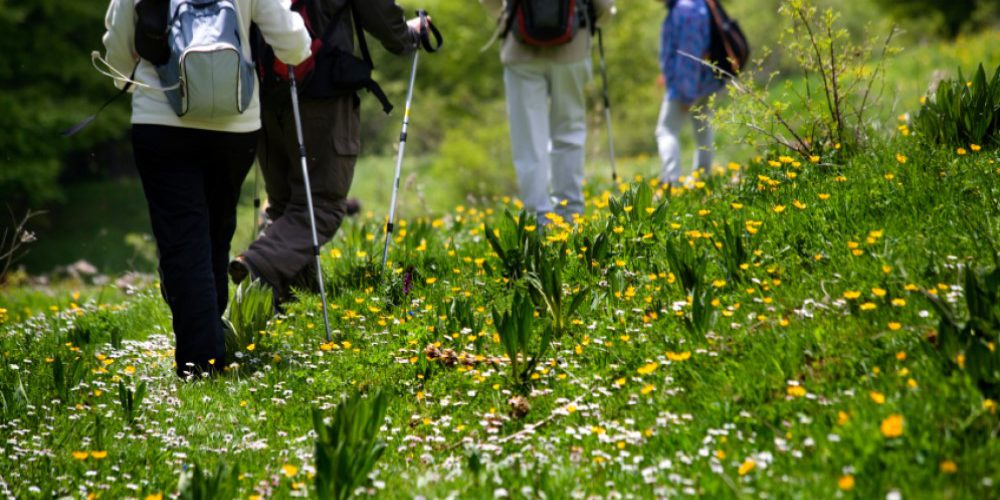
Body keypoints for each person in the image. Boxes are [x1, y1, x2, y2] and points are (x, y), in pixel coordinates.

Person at [101, 0, 311, 378]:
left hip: (160, 121)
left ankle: (202, 362)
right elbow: (293, 41)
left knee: (183, 237)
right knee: (215, 230)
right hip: (235, 123)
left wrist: (123, 78)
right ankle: (209, 342)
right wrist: (297, 47)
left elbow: (118, 43)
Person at [230, 0, 426, 304]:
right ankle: (258, 262)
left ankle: (293, 300)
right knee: (322, 205)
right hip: (322, 86)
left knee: (287, 204)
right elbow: (380, 15)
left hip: (263, 90)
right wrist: (408, 36)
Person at [481, 0, 615, 222]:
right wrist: (596, 21)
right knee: (569, 133)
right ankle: (571, 215)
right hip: (573, 47)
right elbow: (604, 6)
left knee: (528, 142)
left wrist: (505, 17)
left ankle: (539, 220)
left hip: (520, 48)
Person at [656, 0, 725, 186]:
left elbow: (690, 55)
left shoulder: (686, 9)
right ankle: (702, 179)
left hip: (691, 84)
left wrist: (686, 93)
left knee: (666, 130)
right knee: (703, 129)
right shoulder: (695, 5)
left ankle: (672, 183)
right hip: (706, 81)